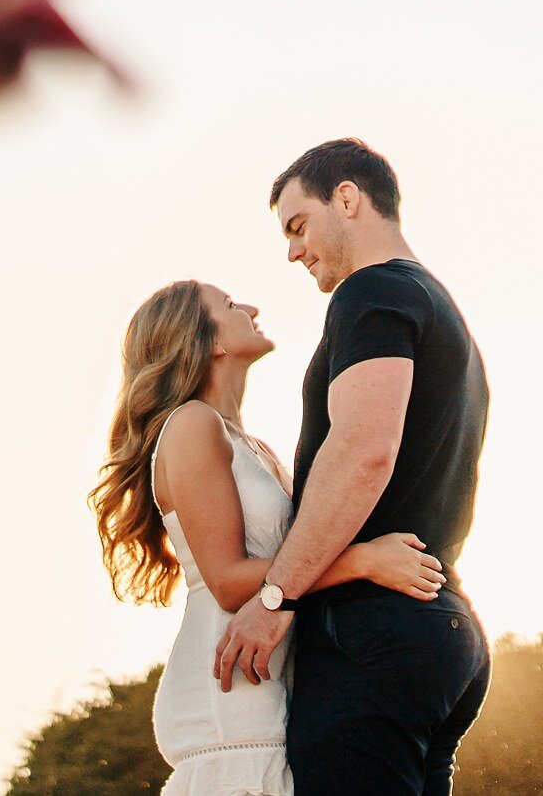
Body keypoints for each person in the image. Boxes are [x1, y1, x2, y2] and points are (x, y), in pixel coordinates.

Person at [92, 278, 449, 795]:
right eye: (231, 305)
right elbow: (230, 583)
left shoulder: (253, 445)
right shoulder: (192, 424)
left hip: (269, 687)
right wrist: (364, 561)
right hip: (229, 693)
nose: (252, 307)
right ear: (208, 341)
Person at [214, 139, 492, 795]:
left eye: (298, 225)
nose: (292, 250)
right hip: (440, 627)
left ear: (348, 197)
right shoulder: (443, 311)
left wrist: (277, 593)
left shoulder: (373, 290)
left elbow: (364, 450)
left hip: (375, 636)